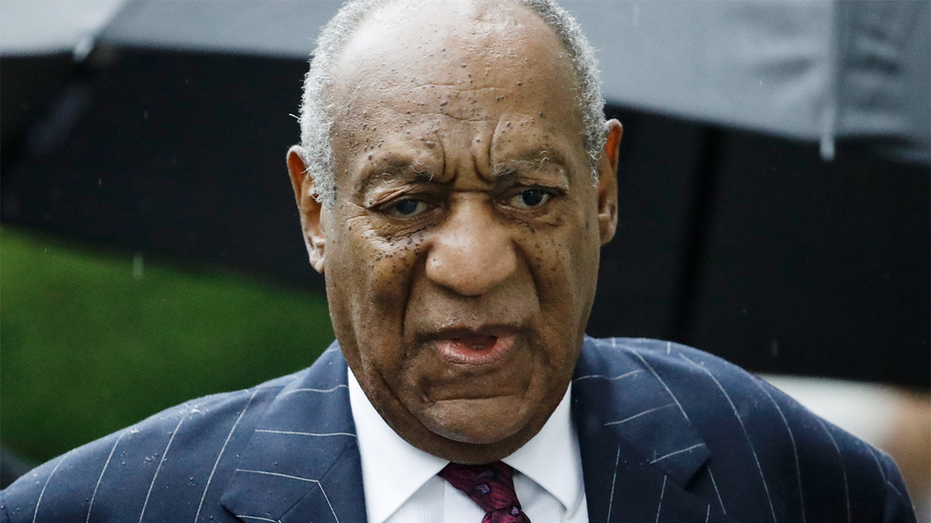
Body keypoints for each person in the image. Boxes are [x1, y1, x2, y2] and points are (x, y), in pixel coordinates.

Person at [0, 0, 917, 521]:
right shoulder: (105, 510)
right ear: (316, 211)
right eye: (407, 203)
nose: (475, 266)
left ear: (601, 189)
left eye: (529, 195)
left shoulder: (794, 478)